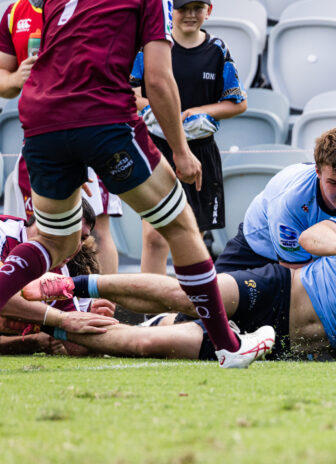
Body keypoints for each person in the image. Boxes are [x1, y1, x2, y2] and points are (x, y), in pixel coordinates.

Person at [0, 0, 272, 368]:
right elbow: (158, 80)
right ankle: (228, 347)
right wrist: (180, 150)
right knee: (180, 225)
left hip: (41, 117)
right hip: (101, 117)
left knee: (53, 241)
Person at [25, 169, 336, 362]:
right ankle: (71, 281)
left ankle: (55, 329)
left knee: (151, 343)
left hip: (287, 347)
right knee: (185, 293)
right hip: (278, 288)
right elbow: (311, 237)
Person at [0, 0, 122, 274]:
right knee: (38, 229)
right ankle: (53, 304)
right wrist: (17, 78)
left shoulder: (90, 5)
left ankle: (103, 308)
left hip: (90, 133)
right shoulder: (14, 13)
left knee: (93, 230)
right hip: (37, 140)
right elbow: (3, 80)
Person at [130, 0, 247, 274]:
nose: (191, 15)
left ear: (209, 10)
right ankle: (153, 311)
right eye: (183, 8)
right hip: (155, 148)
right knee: (154, 237)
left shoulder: (217, 50)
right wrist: (154, 108)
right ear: (171, 11)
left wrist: (199, 112)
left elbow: (237, 102)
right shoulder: (151, 47)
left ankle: (196, 308)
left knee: (195, 238)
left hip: (200, 152)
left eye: (198, 7)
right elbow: (129, 93)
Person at [215, 127, 336, 273]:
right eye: (334, 183)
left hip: (322, 252)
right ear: (317, 172)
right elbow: (295, 276)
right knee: (204, 301)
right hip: (260, 245)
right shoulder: (291, 202)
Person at [0, 198, 118, 348]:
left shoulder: (62, 274)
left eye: (82, 239)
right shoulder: (4, 233)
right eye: (71, 234)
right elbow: (4, 296)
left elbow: (78, 346)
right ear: (47, 224)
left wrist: (92, 319)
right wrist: (60, 319)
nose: (76, 247)